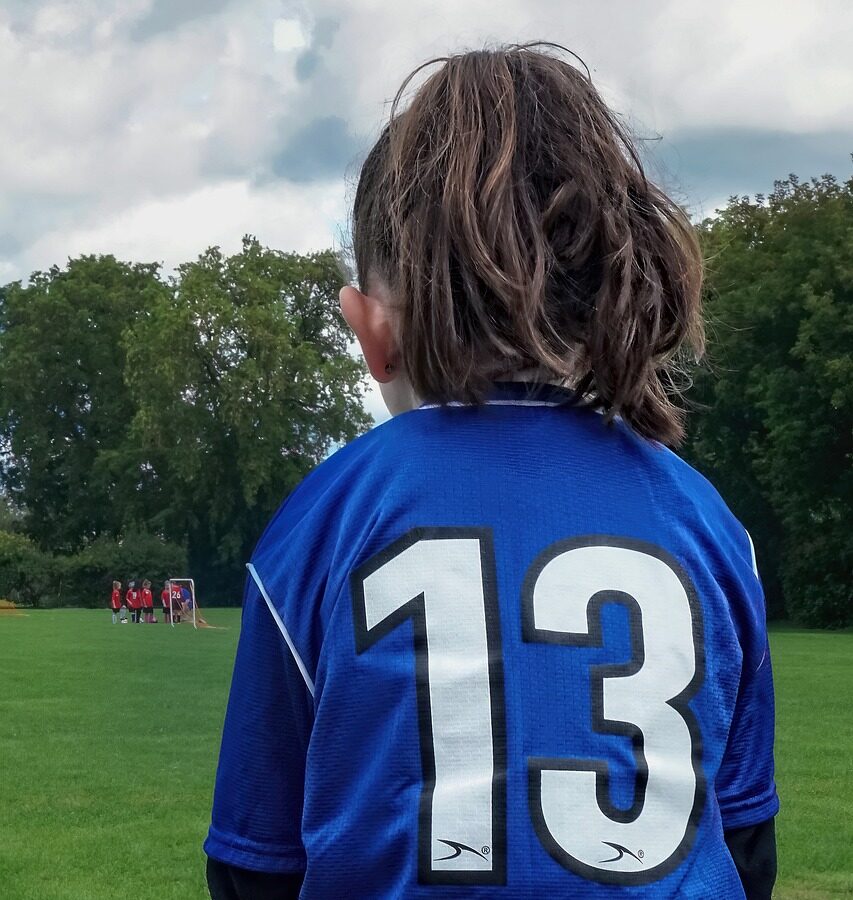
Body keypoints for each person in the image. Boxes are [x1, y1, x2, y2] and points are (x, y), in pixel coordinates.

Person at [204, 46, 778, 900]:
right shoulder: (702, 520)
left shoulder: (322, 520)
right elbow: (745, 843)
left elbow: (253, 866)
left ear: (371, 331)